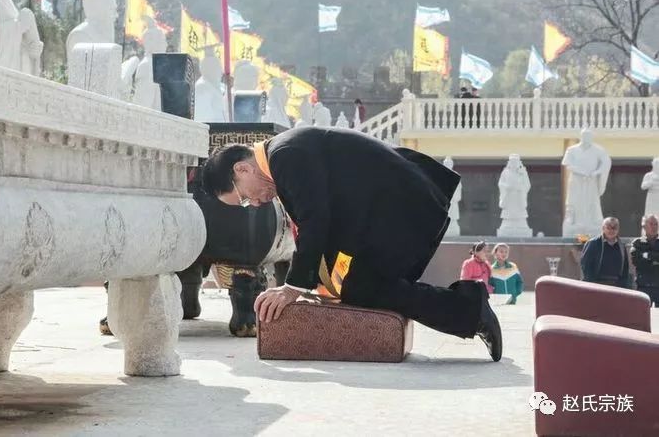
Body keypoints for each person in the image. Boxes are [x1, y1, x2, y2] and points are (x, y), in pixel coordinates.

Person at [201, 127, 503, 361]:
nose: (252, 204)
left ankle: (472, 309)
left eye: (243, 197)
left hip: (403, 209)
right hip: (385, 216)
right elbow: (324, 224)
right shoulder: (284, 155)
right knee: (352, 288)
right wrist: (325, 285)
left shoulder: (285, 156)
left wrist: (292, 287)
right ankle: (471, 310)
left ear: (242, 169)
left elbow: (315, 222)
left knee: (361, 287)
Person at [580, 217, 631, 288]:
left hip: (616, 287)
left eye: (614, 228)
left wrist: (623, 285)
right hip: (597, 286)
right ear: (603, 228)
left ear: (618, 229)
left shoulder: (621, 246)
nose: (611, 230)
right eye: (608, 227)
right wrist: (591, 285)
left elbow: (625, 269)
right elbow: (586, 266)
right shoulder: (593, 243)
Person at [630, 214, 659, 305]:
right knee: (641, 315)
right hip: (644, 287)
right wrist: (655, 259)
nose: (654, 227)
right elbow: (636, 261)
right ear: (644, 226)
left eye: (656, 224)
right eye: (651, 224)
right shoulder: (637, 243)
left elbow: (643, 259)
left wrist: (647, 255)